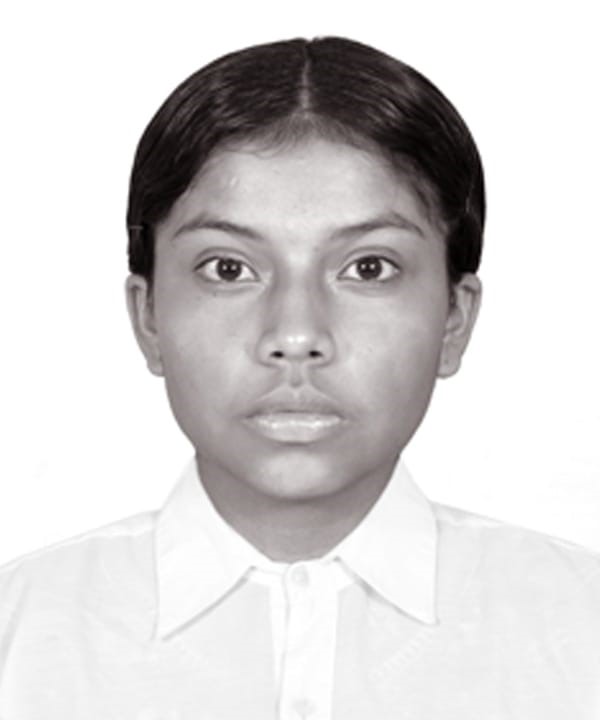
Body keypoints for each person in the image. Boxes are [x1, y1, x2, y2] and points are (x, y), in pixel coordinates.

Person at [0, 36, 598, 720]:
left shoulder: (582, 636)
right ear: (148, 316)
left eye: (368, 268)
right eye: (229, 269)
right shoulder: (17, 642)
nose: (295, 335)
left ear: (454, 319)